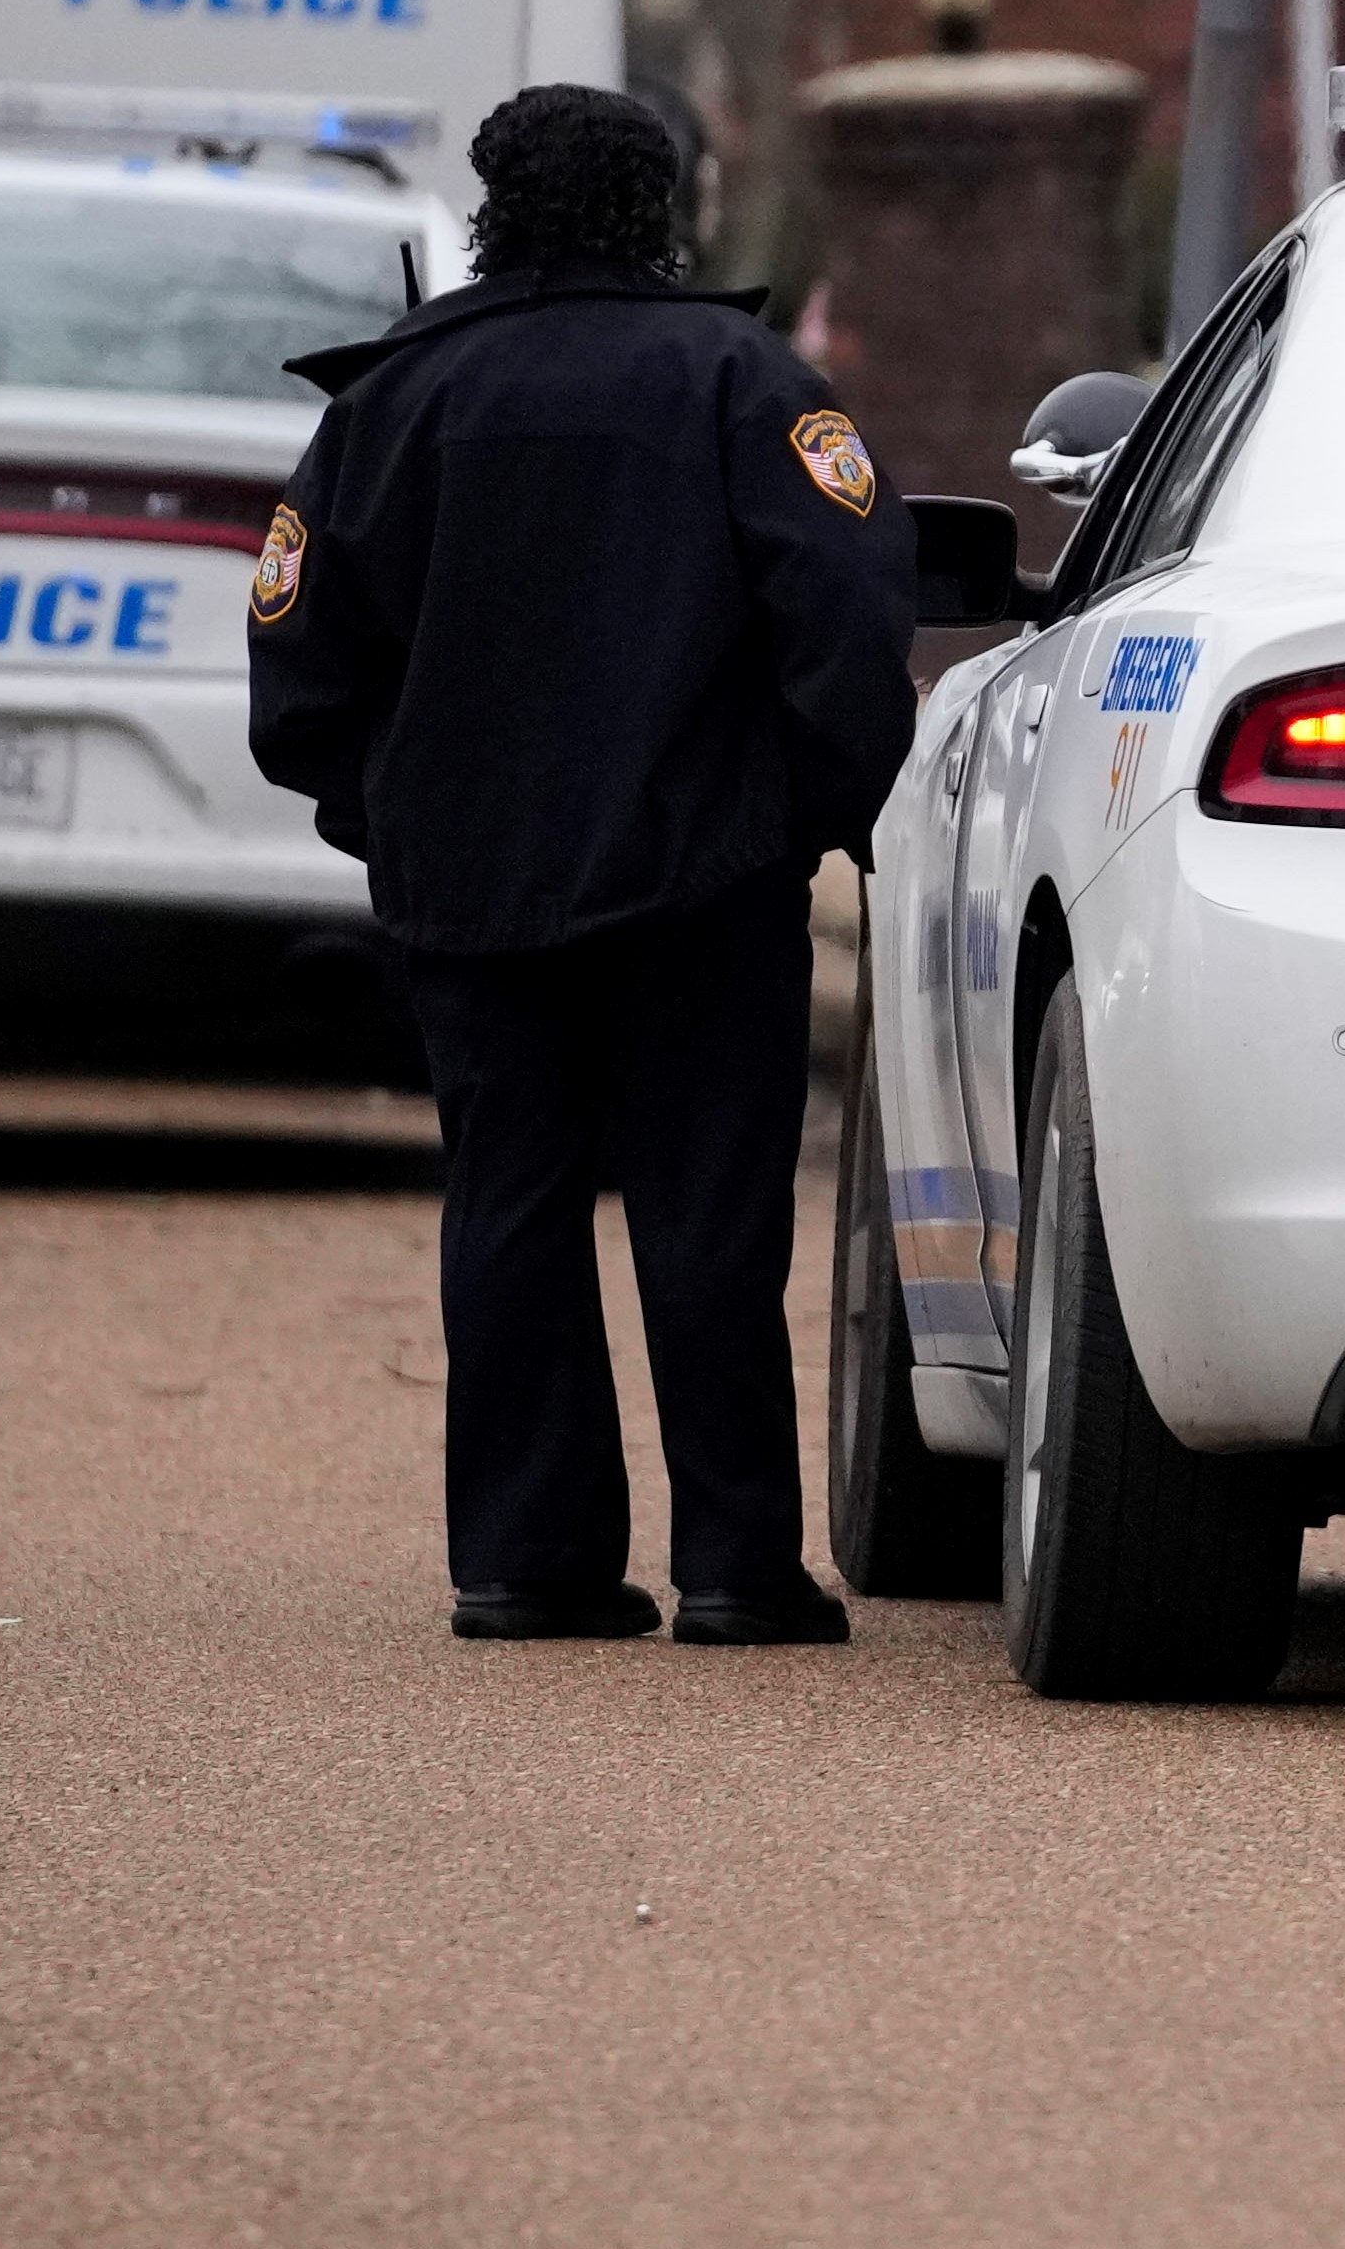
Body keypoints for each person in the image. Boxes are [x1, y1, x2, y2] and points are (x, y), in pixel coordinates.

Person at [248, 84, 920, 1646]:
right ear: (659, 202)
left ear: (491, 205)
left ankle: (527, 1562)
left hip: (468, 890)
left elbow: (299, 667)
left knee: (510, 1202)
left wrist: (394, 817)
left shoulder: (386, 404)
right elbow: (845, 617)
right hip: (705, 882)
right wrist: (806, 813)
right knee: (710, 1215)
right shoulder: (746, 382)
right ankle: (739, 1566)